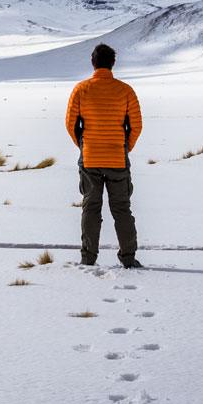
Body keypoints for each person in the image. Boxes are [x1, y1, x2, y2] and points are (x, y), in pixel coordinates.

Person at [64, 43, 143, 268]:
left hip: (90, 159)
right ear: (113, 63)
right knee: (121, 209)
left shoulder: (81, 89)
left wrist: (83, 144)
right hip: (117, 159)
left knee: (90, 208)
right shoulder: (125, 90)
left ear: (93, 62)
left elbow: (71, 123)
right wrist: (125, 147)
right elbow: (136, 125)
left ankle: (88, 258)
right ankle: (128, 258)